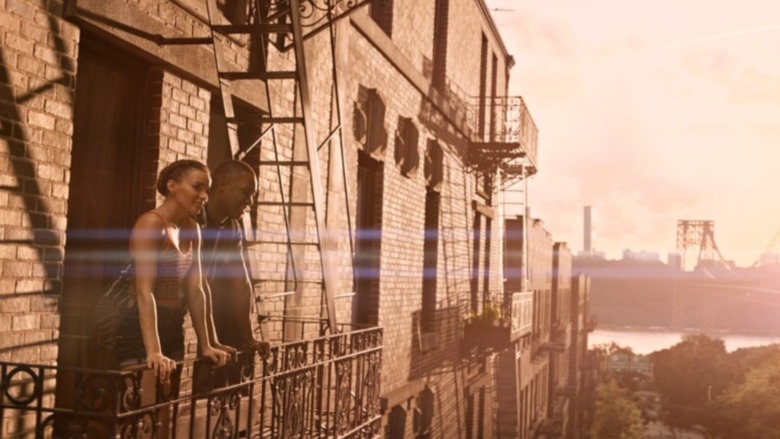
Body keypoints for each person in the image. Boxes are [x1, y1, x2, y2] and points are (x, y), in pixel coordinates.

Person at [115, 159, 229, 383]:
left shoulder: (192, 228)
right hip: (139, 326)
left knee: (167, 406)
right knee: (141, 405)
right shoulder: (151, 223)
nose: (204, 195)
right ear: (172, 186)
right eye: (197, 187)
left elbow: (197, 290)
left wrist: (205, 344)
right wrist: (154, 350)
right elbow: (143, 292)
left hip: (174, 324)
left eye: (207, 189)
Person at [199, 160, 269, 357]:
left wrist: (248, 337)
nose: (250, 201)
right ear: (221, 184)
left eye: (253, 196)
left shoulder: (233, 226)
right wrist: (210, 342)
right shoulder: (193, 219)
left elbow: (241, 284)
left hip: (186, 309)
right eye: (246, 192)